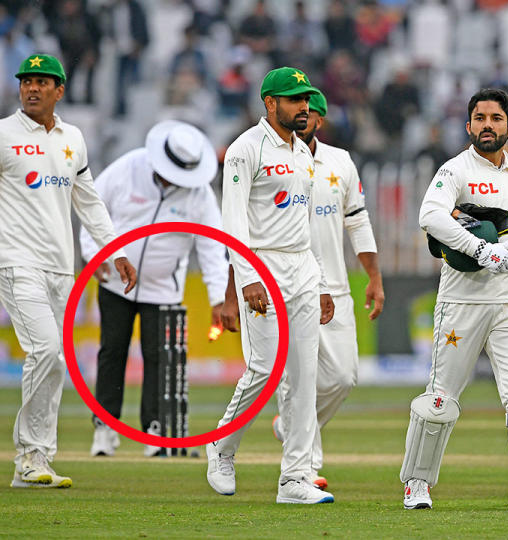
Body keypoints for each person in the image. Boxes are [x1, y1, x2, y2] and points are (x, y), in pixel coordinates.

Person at [399, 88, 508, 511]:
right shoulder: (454, 170)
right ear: (469, 125)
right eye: (479, 118)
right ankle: (417, 484)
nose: (486, 125)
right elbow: (430, 216)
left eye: (495, 118)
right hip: (462, 302)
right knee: (441, 399)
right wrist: (479, 249)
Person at [0, 54, 136, 488]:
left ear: (60, 90)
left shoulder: (72, 137)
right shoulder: (3, 134)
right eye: (27, 82)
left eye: (42, 82)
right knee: (48, 353)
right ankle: (28, 456)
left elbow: (89, 201)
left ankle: (37, 461)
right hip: (16, 261)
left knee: (55, 362)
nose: (32, 88)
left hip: (62, 267)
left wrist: (115, 251)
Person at [204, 67, 335, 504]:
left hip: (301, 269)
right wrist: (247, 278)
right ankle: (221, 446)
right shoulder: (246, 148)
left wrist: (319, 281)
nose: (303, 107)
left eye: (306, 99)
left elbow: (304, 224)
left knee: (304, 376)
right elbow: (233, 221)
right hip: (263, 267)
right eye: (294, 99)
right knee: (265, 368)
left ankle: (295, 478)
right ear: (269, 103)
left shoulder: (303, 152)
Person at [81, 120, 227, 458]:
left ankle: (155, 431)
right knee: (111, 352)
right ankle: (105, 429)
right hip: (115, 280)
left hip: (164, 288)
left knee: (159, 359)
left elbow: (211, 248)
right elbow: (92, 207)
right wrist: (94, 256)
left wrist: (218, 298)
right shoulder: (129, 167)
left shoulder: (200, 194)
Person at [271, 91, 385, 490]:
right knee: (295, 379)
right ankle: (304, 467)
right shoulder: (271, 160)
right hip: (288, 284)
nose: (304, 117)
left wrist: (374, 276)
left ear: (320, 119)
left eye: (312, 112)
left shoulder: (340, 161)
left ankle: (289, 423)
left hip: (334, 288)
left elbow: (357, 221)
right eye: (299, 110)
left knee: (343, 377)